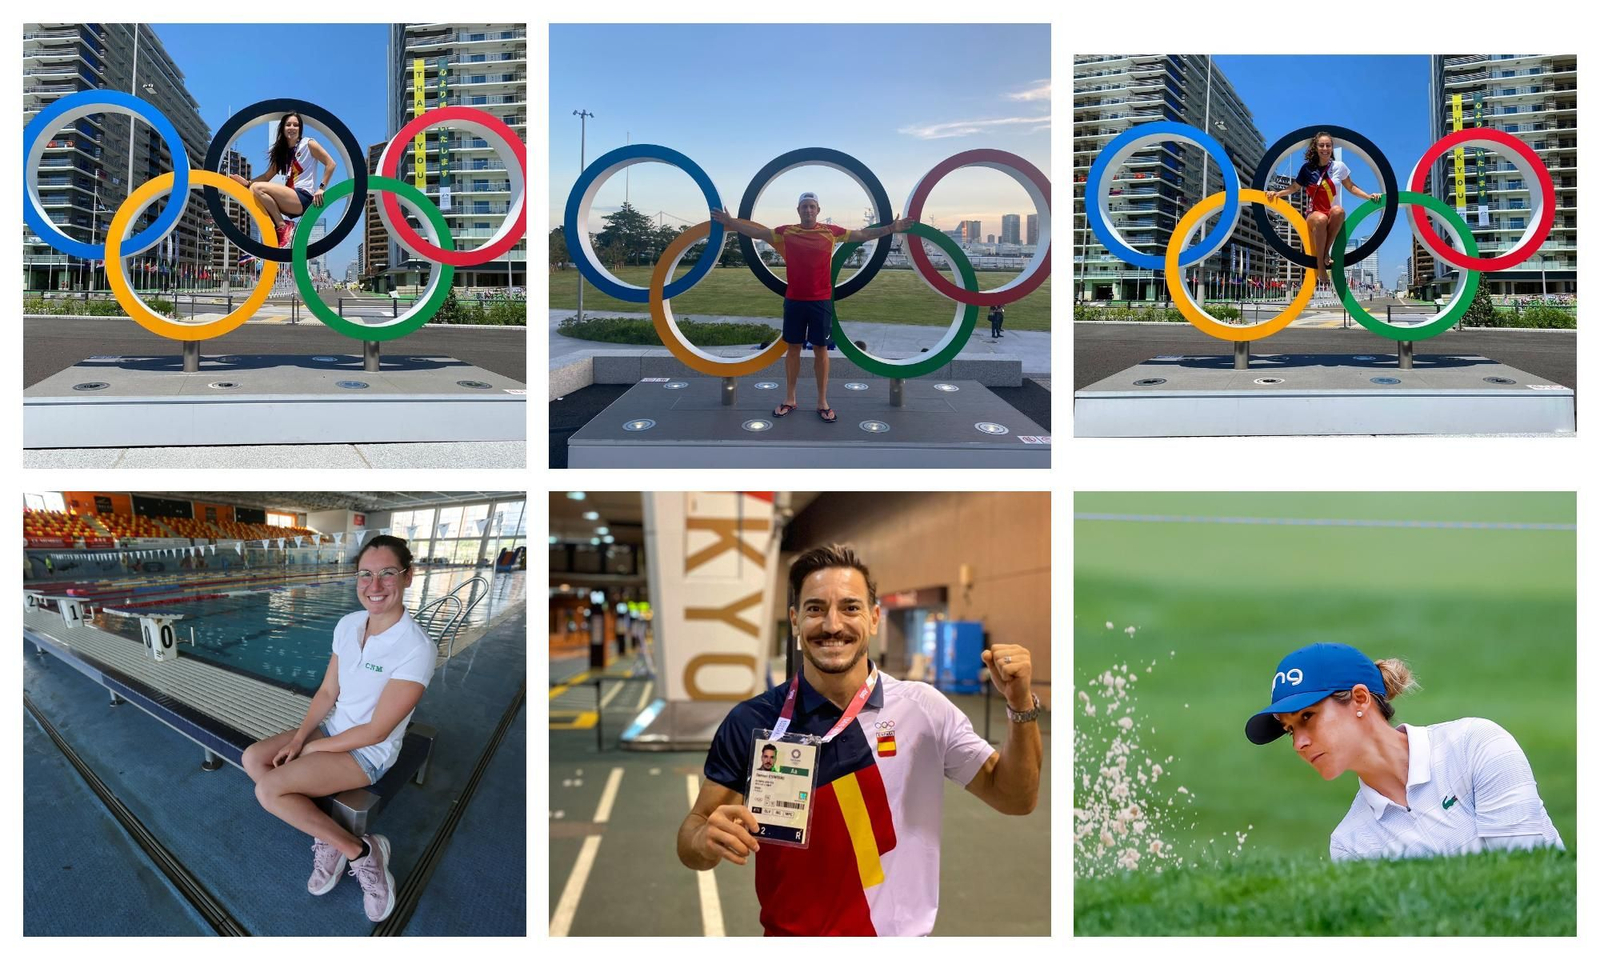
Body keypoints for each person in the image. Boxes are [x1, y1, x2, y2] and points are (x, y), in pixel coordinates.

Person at [677, 544, 1042, 936]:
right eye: (815, 609)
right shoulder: (753, 721)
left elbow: (1015, 798)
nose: (833, 625)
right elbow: (693, 835)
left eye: (850, 608)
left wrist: (1020, 704)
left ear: (874, 618)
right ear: (795, 620)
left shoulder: (923, 709)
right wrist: (704, 839)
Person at [240, 535, 436, 922]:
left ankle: (363, 853)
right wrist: (300, 738)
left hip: (367, 753)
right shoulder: (348, 625)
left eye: (387, 573)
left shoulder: (416, 647)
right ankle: (330, 836)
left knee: (269, 789)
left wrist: (313, 749)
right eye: (365, 574)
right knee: (254, 758)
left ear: (408, 576)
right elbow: (328, 691)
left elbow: (377, 731)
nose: (374, 585)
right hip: (333, 729)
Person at [1245, 642, 1564, 862]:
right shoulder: (1350, 844)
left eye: (1307, 717)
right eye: (1290, 730)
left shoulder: (1476, 745)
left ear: (1360, 699)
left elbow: (1525, 873)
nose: (1298, 743)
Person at [711, 196, 915, 423]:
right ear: (798, 210)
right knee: (793, 349)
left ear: (818, 210)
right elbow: (757, 233)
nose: (808, 210)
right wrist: (731, 222)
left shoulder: (831, 232)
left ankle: (822, 402)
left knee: (821, 349)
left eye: (812, 206)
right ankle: (790, 399)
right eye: (804, 207)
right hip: (794, 300)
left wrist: (891, 229)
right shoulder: (786, 231)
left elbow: (863, 235)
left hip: (820, 301)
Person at [1264, 132, 1383, 286]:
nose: (1325, 148)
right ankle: (1321, 265)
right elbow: (1294, 187)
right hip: (1314, 214)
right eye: (1321, 145)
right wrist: (1278, 194)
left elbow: (1351, 187)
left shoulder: (1339, 167)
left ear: (1332, 148)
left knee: (1339, 211)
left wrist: (1369, 196)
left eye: (1328, 145)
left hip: (1333, 216)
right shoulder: (1307, 169)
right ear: (1316, 147)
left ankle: (1325, 252)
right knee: (1321, 219)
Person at [228, 111, 337, 253]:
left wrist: (321, 188)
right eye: (288, 124)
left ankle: (283, 227)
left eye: (296, 125)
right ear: (283, 128)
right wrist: (247, 183)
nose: (292, 128)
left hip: (303, 196)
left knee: (257, 188)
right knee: (254, 190)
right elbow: (267, 176)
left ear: (300, 129)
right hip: (290, 199)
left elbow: (331, 164)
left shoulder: (308, 143)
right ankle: (276, 231)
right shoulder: (283, 152)